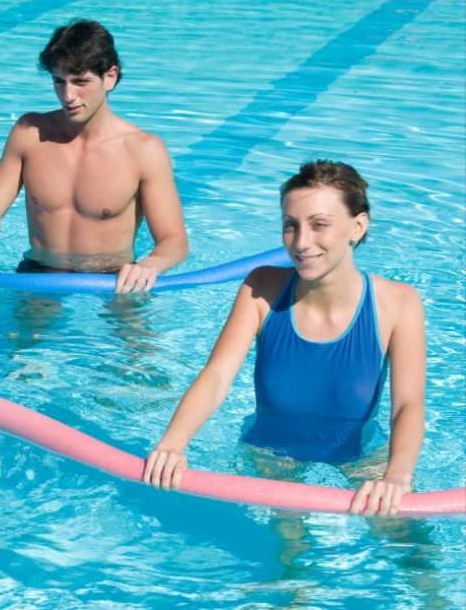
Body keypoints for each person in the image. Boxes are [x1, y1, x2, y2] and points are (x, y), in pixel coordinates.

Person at [143, 160, 426, 516]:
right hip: (271, 456)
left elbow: (408, 405)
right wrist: (173, 442)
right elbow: (217, 377)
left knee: (407, 540)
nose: (302, 243)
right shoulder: (261, 288)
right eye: (291, 226)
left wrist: (397, 475)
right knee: (286, 552)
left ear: (357, 226)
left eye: (319, 225)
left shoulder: (398, 303)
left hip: (359, 458)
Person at [0, 19, 188, 293]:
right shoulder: (30, 134)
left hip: (116, 280)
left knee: (136, 337)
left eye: (80, 82)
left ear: (110, 77)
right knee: (19, 336)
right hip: (40, 273)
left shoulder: (144, 151)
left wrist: (151, 264)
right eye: (58, 82)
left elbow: (174, 240)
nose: (68, 96)